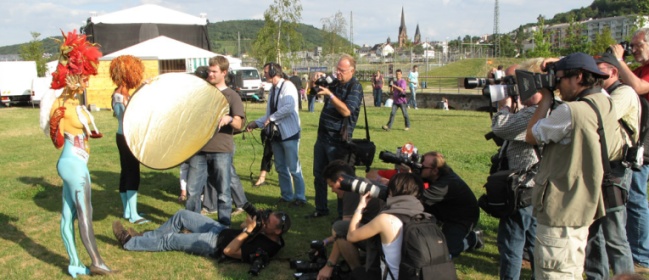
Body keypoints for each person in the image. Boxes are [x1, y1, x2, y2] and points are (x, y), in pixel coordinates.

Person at [526, 52, 624, 279]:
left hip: (561, 207)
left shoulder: (571, 112)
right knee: (572, 268)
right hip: (585, 202)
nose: (557, 86)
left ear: (578, 77)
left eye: (559, 79)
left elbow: (532, 134)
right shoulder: (605, 102)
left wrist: (546, 100)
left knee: (555, 272)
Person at [47, 30, 115, 277]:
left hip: (77, 160)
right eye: (82, 78)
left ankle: (74, 263)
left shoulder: (76, 104)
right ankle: (96, 261)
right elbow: (55, 133)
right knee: (85, 210)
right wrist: (64, 62)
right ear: (72, 79)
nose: (86, 82)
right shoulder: (62, 105)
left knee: (69, 214)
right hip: (72, 162)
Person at [581, 52, 639, 278]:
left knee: (615, 234)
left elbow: (600, 115)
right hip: (597, 167)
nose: (593, 75)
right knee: (593, 232)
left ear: (613, 72)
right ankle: (598, 276)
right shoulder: (598, 94)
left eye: (599, 70)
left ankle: (626, 276)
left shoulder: (624, 92)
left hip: (615, 169)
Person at [491, 60, 543, 279]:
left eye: (513, 82)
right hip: (538, 187)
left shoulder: (534, 112)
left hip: (522, 187)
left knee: (512, 243)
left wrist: (503, 105)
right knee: (534, 242)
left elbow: (501, 128)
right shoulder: (551, 107)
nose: (512, 87)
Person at [185, 56, 245, 226]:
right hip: (199, 149)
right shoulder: (202, 93)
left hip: (221, 150)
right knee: (192, 191)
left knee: (224, 193)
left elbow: (239, 124)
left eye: (214, 71)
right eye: (209, 71)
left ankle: (224, 228)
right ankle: (191, 225)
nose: (210, 74)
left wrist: (229, 119)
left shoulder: (232, 96)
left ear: (224, 73)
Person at [112, 209, 290, 263]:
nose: (263, 223)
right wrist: (252, 224)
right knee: (181, 215)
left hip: (214, 244)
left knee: (171, 240)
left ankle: (130, 243)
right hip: (220, 229)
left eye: (267, 223)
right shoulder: (268, 231)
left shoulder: (266, 249)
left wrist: (249, 231)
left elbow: (229, 251)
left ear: (278, 231)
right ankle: (147, 236)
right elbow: (243, 225)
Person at [611, 29, 649, 274]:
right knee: (632, 195)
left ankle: (641, 255)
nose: (633, 49)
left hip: (646, 143)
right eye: (631, 46)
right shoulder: (637, 68)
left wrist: (619, 61)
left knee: (635, 197)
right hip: (641, 139)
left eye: (637, 45)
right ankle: (633, 247)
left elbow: (636, 87)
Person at [310, 54, 364, 218]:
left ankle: (343, 214)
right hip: (323, 136)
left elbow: (347, 110)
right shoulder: (334, 83)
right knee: (319, 174)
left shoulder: (355, 87)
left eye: (342, 70)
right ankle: (321, 209)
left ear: (352, 71)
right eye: (337, 69)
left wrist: (330, 95)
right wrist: (316, 82)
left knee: (341, 179)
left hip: (338, 141)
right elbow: (313, 93)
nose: (338, 73)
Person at [247, 62, 307, 207]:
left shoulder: (287, 86)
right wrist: (256, 123)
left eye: (266, 71)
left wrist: (271, 119)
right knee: (280, 167)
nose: (264, 74)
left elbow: (288, 107)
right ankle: (286, 196)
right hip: (276, 135)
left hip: (289, 134)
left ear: (274, 71)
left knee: (294, 167)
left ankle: (300, 197)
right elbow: (269, 114)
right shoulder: (273, 89)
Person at [347, 173, 427, 279]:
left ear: (390, 191)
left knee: (356, 274)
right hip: (420, 275)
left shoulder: (386, 219)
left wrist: (360, 207)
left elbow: (351, 236)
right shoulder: (425, 217)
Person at [317, 160, 384, 280]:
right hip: (381, 237)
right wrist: (326, 241)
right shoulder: (361, 182)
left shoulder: (351, 191)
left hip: (378, 243)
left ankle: (358, 273)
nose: (332, 190)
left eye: (332, 186)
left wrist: (329, 265)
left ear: (340, 181)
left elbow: (342, 231)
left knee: (338, 227)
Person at [418, 151, 482, 258]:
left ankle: (472, 239)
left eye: (422, 167)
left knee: (447, 252)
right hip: (443, 209)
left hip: (462, 218)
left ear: (434, 170)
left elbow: (416, 198)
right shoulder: (437, 175)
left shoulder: (444, 185)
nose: (419, 167)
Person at [110, 55, 149, 225]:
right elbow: (131, 116)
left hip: (120, 136)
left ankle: (127, 210)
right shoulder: (123, 96)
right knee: (133, 173)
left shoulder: (117, 93)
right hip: (128, 137)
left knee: (125, 172)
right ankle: (133, 214)